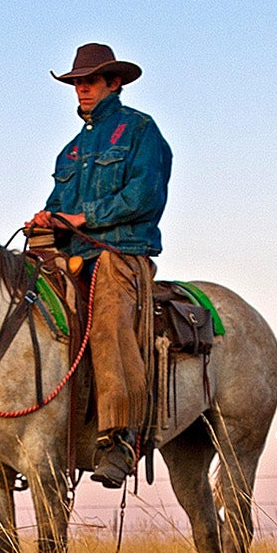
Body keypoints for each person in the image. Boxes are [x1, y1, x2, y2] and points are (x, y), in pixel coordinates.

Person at [27, 43, 172, 488]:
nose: (81, 90)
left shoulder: (140, 131)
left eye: (89, 81)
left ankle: (120, 436)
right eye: (76, 83)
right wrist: (47, 218)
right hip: (70, 259)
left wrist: (83, 216)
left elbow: (146, 194)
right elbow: (59, 204)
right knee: (19, 306)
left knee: (107, 315)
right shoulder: (69, 153)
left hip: (123, 255)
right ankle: (2, 434)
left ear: (115, 82)